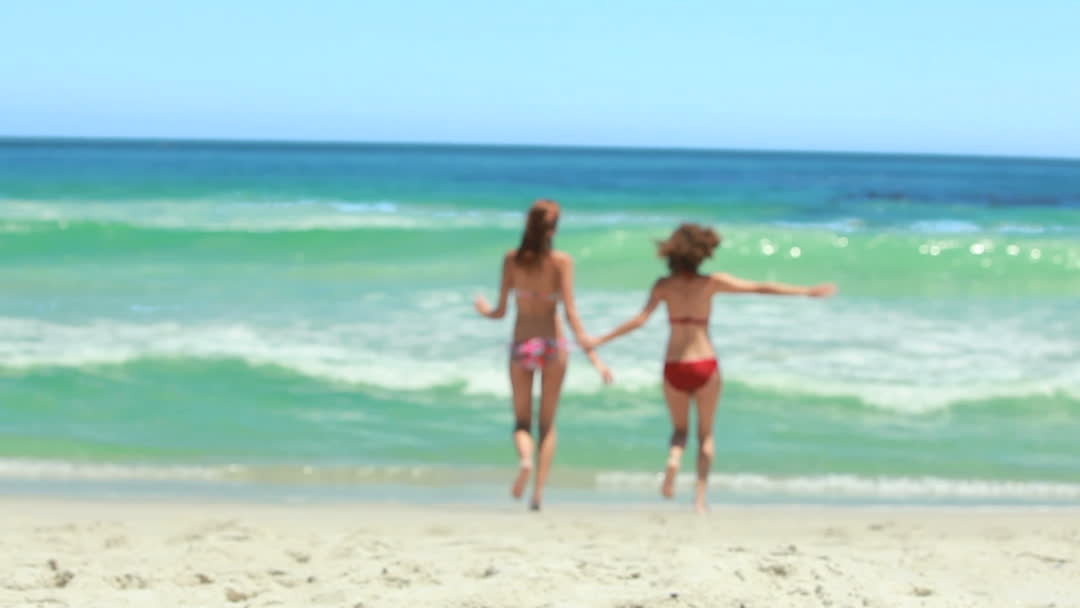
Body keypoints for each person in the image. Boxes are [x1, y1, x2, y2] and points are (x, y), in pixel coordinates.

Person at [585, 223, 835, 512]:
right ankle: (700, 499)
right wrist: (806, 291)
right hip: (704, 364)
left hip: (674, 365)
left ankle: (673, 460)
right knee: (705, 434)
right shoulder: (712, 283)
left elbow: (639, 321)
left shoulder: (663, 286)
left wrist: (599, 339)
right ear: (702, 253)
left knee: (680, 432)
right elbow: (759, 288)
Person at [474, 199, 612, 511]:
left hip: (522, 345)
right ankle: (537, 495)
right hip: (552, 346)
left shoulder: (511, 260)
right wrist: (595, 359)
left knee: (522, 422)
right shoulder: (562, 262)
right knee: (547, 424)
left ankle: (525, 460)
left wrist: (483, 310)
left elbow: (500, 312)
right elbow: (572, 314)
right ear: (555, 229)